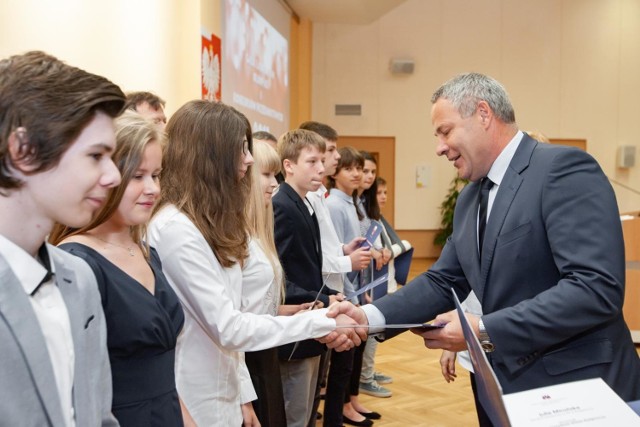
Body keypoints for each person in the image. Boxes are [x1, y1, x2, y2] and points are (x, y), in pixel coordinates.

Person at [324, 72, 640, 425]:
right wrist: (368, 317)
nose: (439, 147)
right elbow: (444, 280)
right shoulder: (471, 196)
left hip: (576, 389)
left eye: (445, 131)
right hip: (500, 387)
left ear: (484, 114)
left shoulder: (561, 170)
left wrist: (484, 328)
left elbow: (595, 288)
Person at [146, 101, 362, 426]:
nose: (248, 158)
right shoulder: (176, 229)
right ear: (210, 156)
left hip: (223, 391)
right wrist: (322, 322)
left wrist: (242, 393)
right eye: (242, 149)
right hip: (196, 399)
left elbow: (235, 321)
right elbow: (229, 327)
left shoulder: (206, 224)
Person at [0, 50, 124, 426]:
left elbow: (100, 415)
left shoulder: (78, 277)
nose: (114, 176)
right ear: (23, 150)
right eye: (95, 156)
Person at [49, 110, 193, 426]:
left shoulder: (146, 252)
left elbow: (161, 375)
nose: (153, 189)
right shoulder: (75, 262)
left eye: (156, 175)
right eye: (138, 176)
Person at [272, 129, 348, 427]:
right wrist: (320, 297)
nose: (320, 168)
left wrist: (329, 292)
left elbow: (310, 266)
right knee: (295, 412)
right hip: (296, 323)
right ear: (288, 165)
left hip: (313, 317)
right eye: (311, 161)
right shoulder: (283, 205)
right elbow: (278, 276)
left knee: (307, 408)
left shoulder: (305, 204)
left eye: (322, 161)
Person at [299, 121, 372, 427]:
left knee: (334, 369)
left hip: (337, 289)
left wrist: (344, 251)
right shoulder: (312, 197)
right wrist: (347, 260)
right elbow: (314, 258)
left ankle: (336, 415)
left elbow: (327, 247)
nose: (334, 158)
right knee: (323, 373)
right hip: (323, 292)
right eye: (327, 151)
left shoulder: (322, 194)